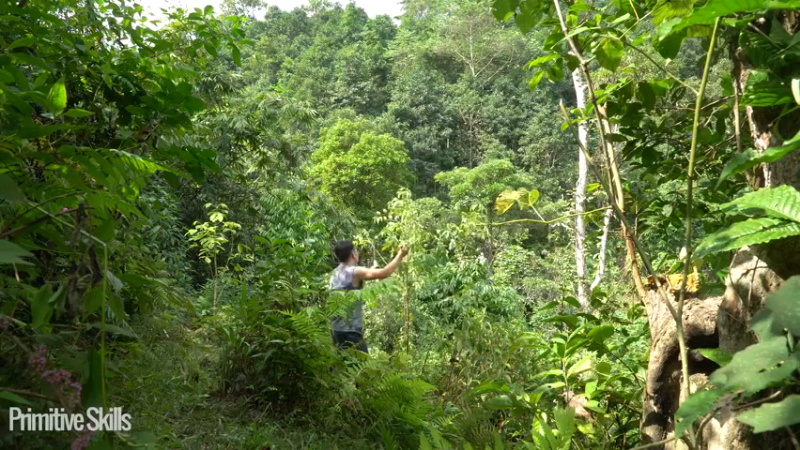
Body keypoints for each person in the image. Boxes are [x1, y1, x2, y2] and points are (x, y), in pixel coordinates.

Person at [328, 240, 409, 353]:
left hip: (335, 330)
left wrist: (370, 271)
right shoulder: (355, 272)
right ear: (353, 254)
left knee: (343, 366)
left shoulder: (334, 274)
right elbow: (385, 273)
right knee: (362, 366)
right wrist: (401, 254)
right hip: (351, 331)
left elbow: (350, 284)